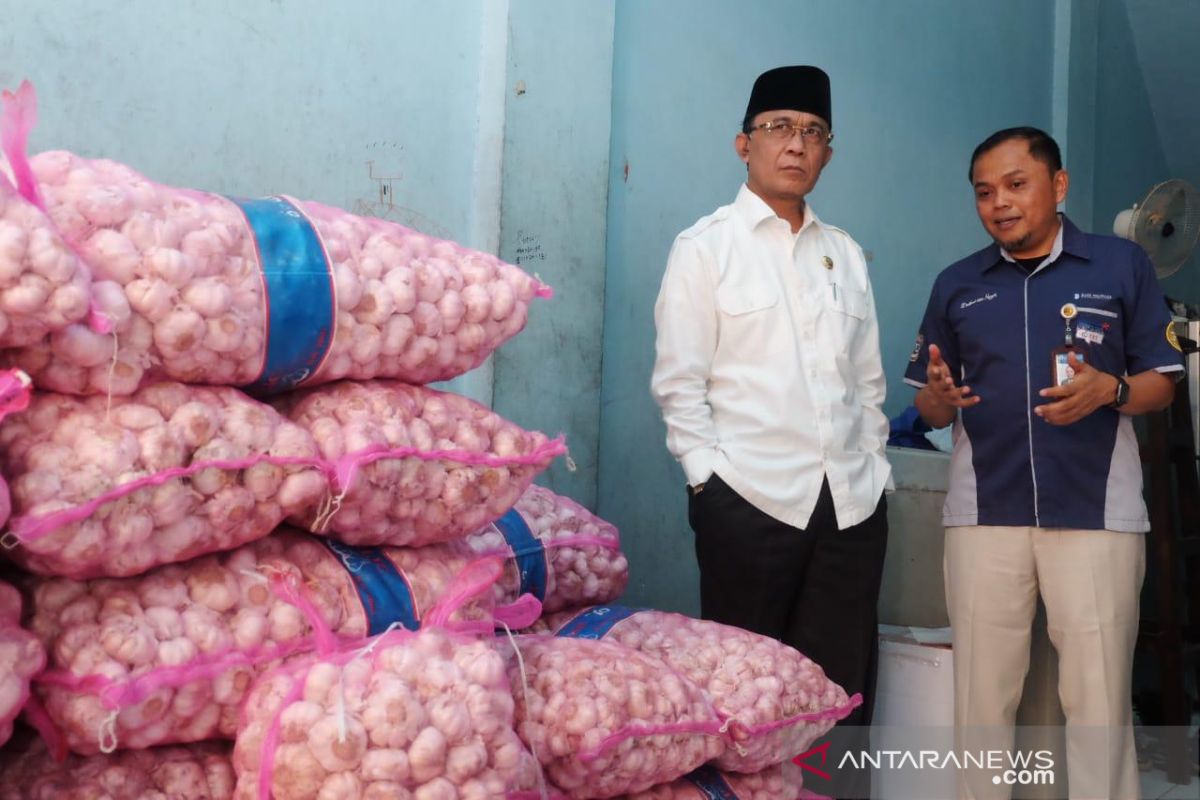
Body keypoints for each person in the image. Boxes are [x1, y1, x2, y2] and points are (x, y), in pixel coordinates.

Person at [905, 127, 1183, 799]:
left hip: (1095, 514)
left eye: (1016, 184)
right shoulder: (958, 285)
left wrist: (1110, 390)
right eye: (983, 192)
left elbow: (1162, 380)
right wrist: (938, 401)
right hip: (984, 514)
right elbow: (933, 411)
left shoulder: (1119, 265)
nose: (999, 202)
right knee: (982, 707)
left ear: (1057, 186)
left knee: (1097, 705)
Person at [651, 65, 891, 798]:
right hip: (748, 504)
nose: (796, 145)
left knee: (841, 696)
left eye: (812, 132)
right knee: (744, 697)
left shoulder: (843, 254)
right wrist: (708, 482)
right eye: (779, 128)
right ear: (743, 144)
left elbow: (869, 384)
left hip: (850, 504)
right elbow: (678, 384)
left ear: (828, 153)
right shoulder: (706, 247)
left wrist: (874, 471)